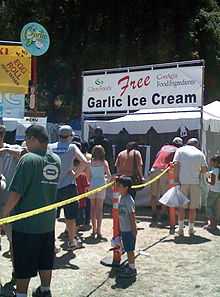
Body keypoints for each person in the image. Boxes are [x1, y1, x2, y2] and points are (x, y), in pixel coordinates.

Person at [2, 125, 61, 297]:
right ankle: (45, 290)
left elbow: (15, 194)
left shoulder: (28, 160)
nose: (25, 143)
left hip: (26, 225)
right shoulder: (55, 159)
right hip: (47, 223)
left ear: (34, 139)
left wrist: (3, 215)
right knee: (45, 260)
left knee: (23, 264)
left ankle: (21, 294)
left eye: (27, 139)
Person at [49, 125, 89, 250]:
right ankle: (71, 241)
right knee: (70, 217)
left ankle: (52, 244)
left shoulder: (50, 147)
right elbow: (85, 162)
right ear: (70, 136)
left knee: (51, 218)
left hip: (51, 186)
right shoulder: (72, 147)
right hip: (68, 186)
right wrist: (75, 175)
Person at [0, 125, 23, 282]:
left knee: (14, 242)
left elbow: (26, 154)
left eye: (1, 134)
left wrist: (6, 151)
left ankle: (16, 273)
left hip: (8, 205)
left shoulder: (12, 149)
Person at [173, 138, 208, 236]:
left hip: (182, 181)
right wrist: (197, 171)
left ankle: (180, 229)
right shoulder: (200, 153)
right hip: (195, 182)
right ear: (196, 145)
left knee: (181, 207)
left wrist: (176, 179)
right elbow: (205, 170)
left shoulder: (180, 150)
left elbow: (176, 165)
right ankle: (191, 229)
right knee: (193, 207)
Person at [150, 137, 183, 227]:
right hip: (164, 171)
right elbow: (176, 163)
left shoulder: (164, 147)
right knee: (165, 194)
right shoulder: (177, 150)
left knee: (154, 194)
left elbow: (157, 157)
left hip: (154, 168)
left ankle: (153, 213)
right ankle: (162, 214)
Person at [88, 145, 111, 239]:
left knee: (92, 208)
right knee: (99, 209)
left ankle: (93, 230)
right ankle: (99, 230)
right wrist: (106, 182)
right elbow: (109, 176)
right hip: (101, 184)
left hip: (92, 184)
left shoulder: (90, 162)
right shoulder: (104, 162)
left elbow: (89, 176)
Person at [117, 176, 137, 278]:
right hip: (124, 229)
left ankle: (132, 268)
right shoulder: (121, 198)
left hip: (129, 230)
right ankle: (130, 265)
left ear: (126, 187)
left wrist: (134, 230)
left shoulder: (128, 200)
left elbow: (132, 216)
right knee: (127, 248)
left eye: (119, 185)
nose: (117, 187)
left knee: (130, 250)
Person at [205, 155, 220, 231]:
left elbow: (212, 182)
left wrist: (207, 179)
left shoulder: (214, 171)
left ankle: (211, 224)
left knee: (209, 207)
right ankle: (215, 224)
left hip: (213, 191)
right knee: (217, 208)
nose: (211, 163)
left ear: (216, 162)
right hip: (219, 192)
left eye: (212, 162)